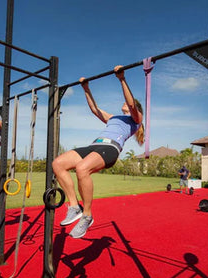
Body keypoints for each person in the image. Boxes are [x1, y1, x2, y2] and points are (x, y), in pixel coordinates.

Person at [52, 65, 144, 239]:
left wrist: (122, 79)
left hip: (110, 148)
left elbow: (131, 103)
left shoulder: (136, 119)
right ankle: (74, 207)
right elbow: (95, 110)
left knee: (81, 169)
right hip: (94, 146)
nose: (124, 103)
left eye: (128, 103)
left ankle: (87, 216)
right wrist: (86, 89)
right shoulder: (114, 117)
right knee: (58, 164)